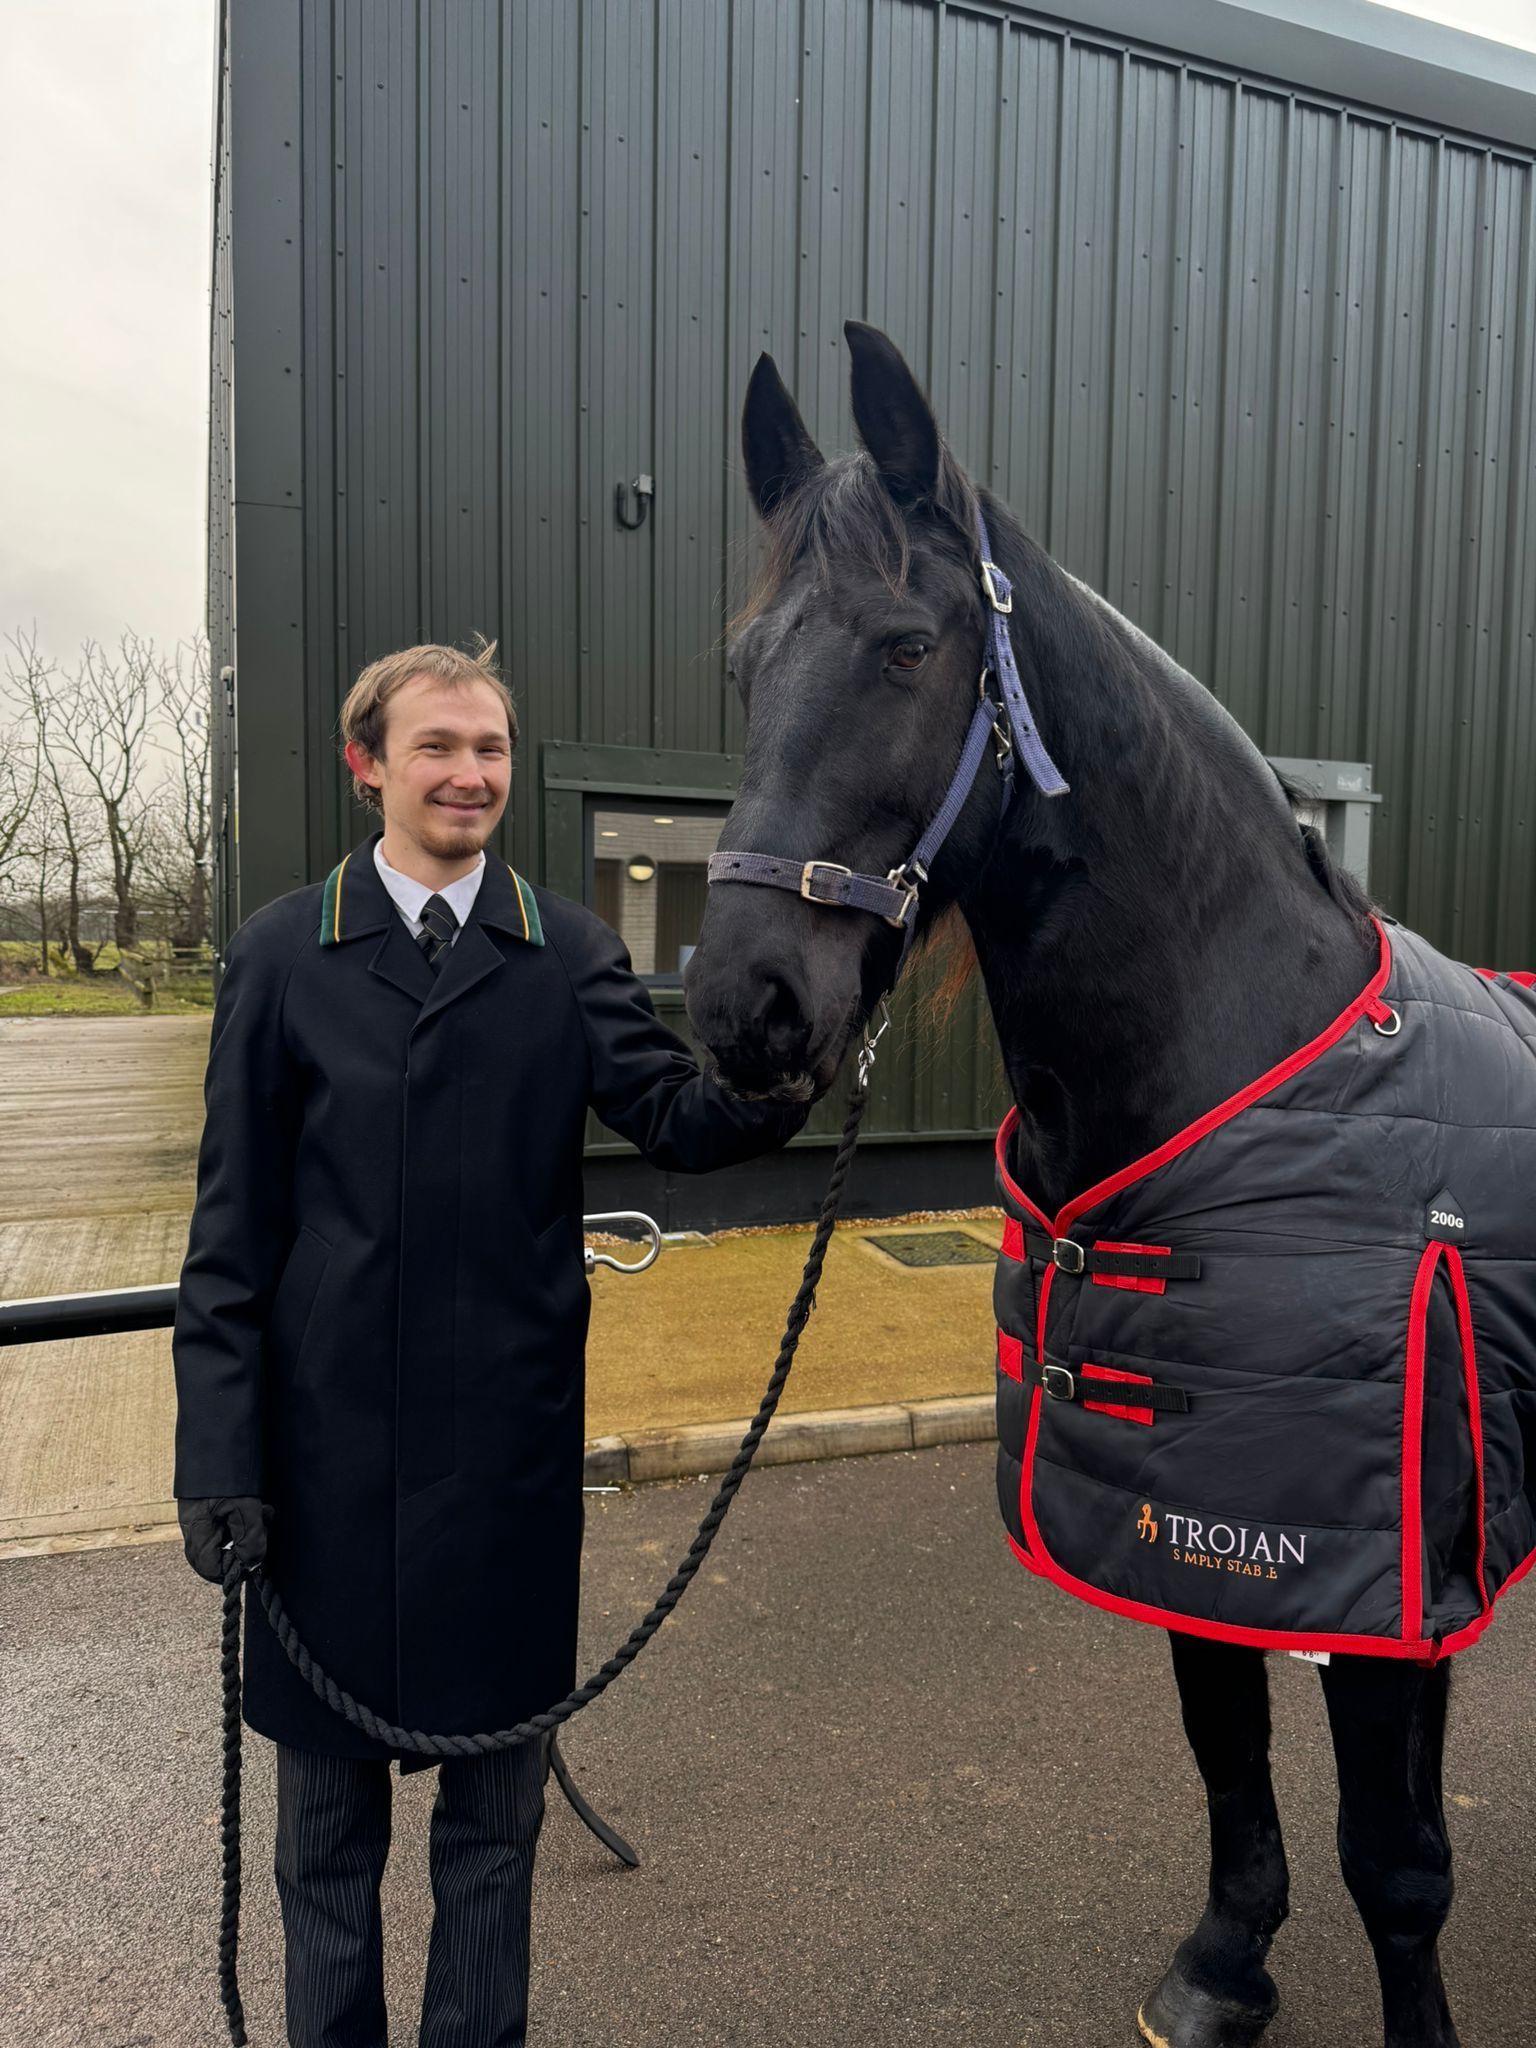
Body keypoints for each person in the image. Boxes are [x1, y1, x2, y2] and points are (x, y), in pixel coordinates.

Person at [172, 641, 805, 2048]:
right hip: (318, 1490)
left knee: (491, 1845)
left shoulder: (567, 950)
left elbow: (682, 1119)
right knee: (324, 1852)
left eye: (491, 751)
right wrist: (216, 1461)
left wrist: (791, 1056)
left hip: (504, 1489)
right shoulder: (282, 955)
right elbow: (226, 1245)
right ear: (369, 765)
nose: (470, 775)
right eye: (438, 748)